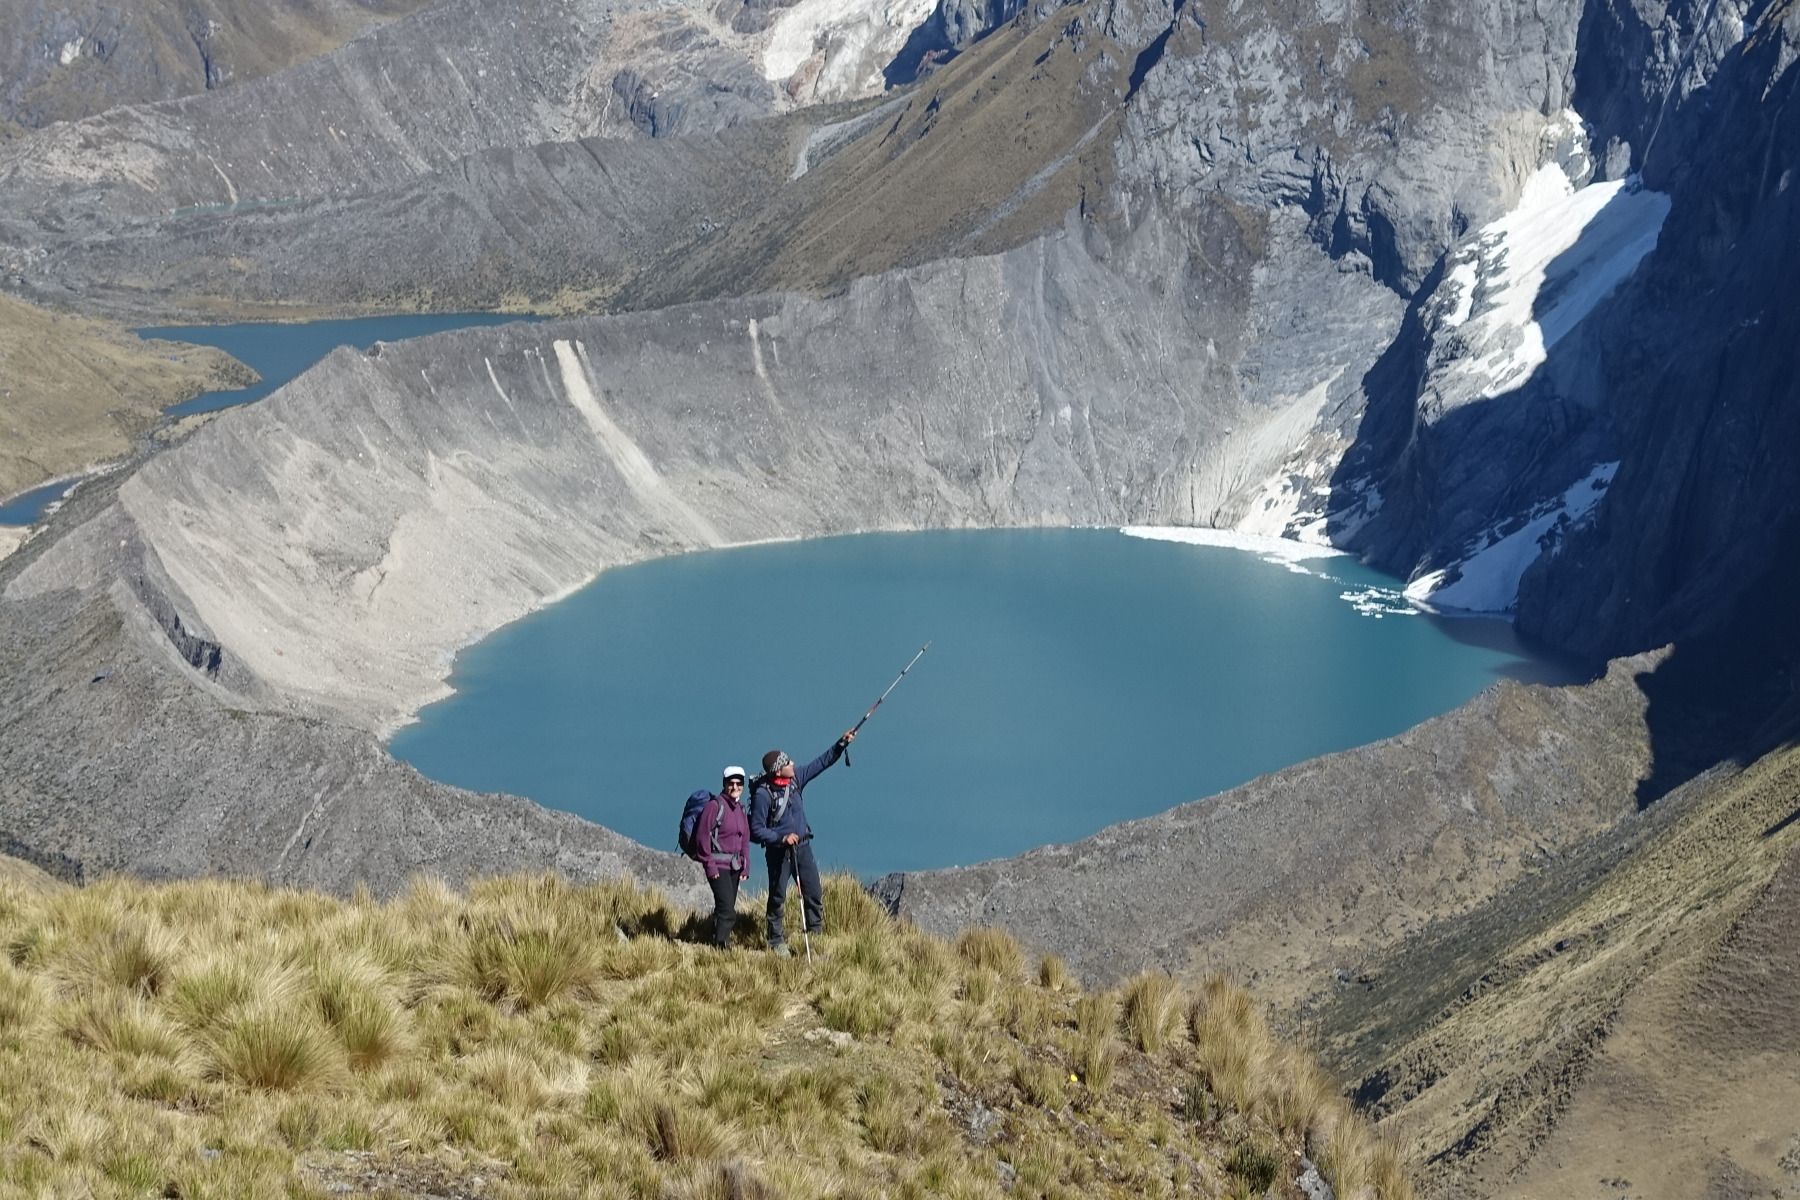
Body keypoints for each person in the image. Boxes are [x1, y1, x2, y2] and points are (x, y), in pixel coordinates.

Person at [749, 730, 856, 956]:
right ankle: (776, 941)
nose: (793, 763)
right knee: (777, 896)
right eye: (787, 762)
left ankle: (815, 938)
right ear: (777, 770)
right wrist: (781, 837)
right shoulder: (763, 795)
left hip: (803, 848)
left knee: (814, 892)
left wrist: (841, 744)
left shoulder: (795, 778)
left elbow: (822, 762)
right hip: (779, 853)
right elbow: (756, 830)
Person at [693, 765, 753, 949]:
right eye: (731, 783)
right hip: (718, 866)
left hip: (734, 867)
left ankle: (714, 937)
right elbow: (702, 837)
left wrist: (745, 866)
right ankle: (721, 945)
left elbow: (744, 840)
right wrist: (710, 866)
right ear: (724, 784)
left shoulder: (741, 810)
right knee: (727, 909)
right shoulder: (714, 806)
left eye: (739, 783)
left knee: (724, 907)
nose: (735, 787)